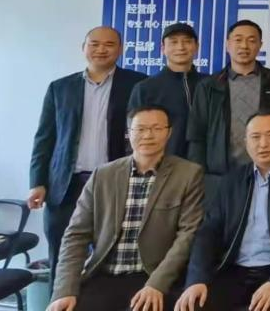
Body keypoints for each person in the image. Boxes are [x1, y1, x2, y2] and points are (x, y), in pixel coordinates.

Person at [47, 105, 205, 311]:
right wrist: (64, 291)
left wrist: (157, 284)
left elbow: (187, 235)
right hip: (104, 275)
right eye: (140, 129)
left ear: (169, 133)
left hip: (152, 276)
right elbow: (76, 235)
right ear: (128, 133)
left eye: (157, 128)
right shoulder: (103, 176)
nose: (148, 135)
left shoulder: (188, 174)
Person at [27, 26, 147, 280]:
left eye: (109, 44)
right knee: (63, 257)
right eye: (94, 44)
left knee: (112, 257)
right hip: (66, 186)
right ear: (84, 48)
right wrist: (37, 182)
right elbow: (44, 139)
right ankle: (59, 300)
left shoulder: (138, 84)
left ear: (121, 49)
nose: (101, 49)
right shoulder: (60, 88)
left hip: (115, 183)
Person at [176, 111, 270, 311]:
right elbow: (208, 232)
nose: (263, 144)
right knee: (192, 305)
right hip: (233, 271)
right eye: (255, 137)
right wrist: (197, 279)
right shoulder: (232, 180)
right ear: (246, 142)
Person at [186, 19, 270, 201]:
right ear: (227, 44)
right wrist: (200, 178)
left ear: (260, 45)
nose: (244, 46)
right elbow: (197, 136)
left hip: (267, 176)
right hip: (219, 178)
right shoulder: (208, 86)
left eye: (251, 40)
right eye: (238, 40)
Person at [129, 22, 210, 157]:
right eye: (173, 42)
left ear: (196, 47)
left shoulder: (211, 84)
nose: (181, 47)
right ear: (163, 48)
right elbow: (134, 132)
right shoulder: (145, 88)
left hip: (207, 164)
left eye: (187, 41)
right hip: (163, 164)